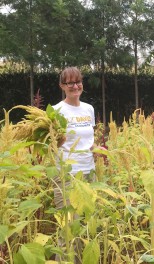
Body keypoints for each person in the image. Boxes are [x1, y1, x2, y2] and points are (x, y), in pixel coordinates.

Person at [52, 66, 103, 262]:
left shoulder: (88, 109)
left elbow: (88, 140)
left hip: (89, 173)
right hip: (66, 175)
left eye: (78, 81)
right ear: (62, 86)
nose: (75, 86)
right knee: (67, 228)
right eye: (70, 82)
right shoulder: (57, 110)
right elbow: (51, 143)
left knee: (86, 225)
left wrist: (97, 149)